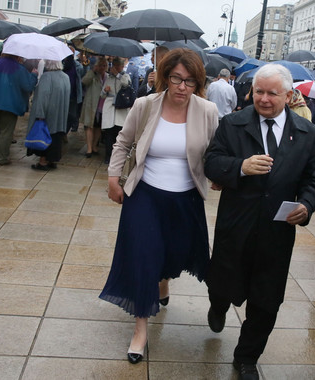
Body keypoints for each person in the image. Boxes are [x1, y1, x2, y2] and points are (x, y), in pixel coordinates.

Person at [100, 48, 218, 364]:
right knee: (143, 257)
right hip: (145, 195)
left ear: (198, 83)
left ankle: (163, 281)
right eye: (176, 79)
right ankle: (140, 330)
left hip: (185, 198)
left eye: (190, 81)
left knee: (172, 253)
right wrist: (114, 176)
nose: (182, 87)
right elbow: (123, 142)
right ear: (165, 77)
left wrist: (221, 175)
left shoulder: (207, 111)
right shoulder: (145, 105)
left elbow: (215, 153)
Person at [204, 63, 315, 380]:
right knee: (223, 280)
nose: (264, 99)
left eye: (272, 93)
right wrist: (240, 166)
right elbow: (211, 162)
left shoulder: (306, 133)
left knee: (267, 301)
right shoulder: (232, 124)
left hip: (276, 233)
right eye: (259, 91)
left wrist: (307, 206)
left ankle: (246, 358)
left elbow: (312, 180)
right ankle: (218, 304)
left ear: (289, 94)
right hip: (236, 224)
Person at [0, 53, 37, 165]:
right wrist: (34, 75)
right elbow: (28, 86)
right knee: (6, 132)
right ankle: (3, 158)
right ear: (17, 55)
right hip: (10, 105)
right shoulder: (20, 69)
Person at [26, 59, 70, 171]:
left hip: (48, 114)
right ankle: (52, 160)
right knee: (56, 136)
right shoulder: (65, 77)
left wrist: (40, 113)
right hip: (60, 113)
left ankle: (43, 161)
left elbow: (42, 96)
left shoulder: (47, 77)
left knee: (45, 136)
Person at [100, 57, 131, 164]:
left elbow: (125, 84)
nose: (116, 67)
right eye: (114, 65)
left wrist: (118, 75)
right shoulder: (109, 78)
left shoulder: (125, 76)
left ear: (122, 66)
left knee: (119, 134)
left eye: (118, 65)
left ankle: (118, 157)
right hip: (109, 108)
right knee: (108, 134)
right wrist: (105, 91)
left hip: (120, 109)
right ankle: (108, 156)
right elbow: (102, 95)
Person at [80, 57, 108, 157]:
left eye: (104, 65)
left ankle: (94, 146)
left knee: (98, 127)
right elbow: (84, 81)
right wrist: (92, 71)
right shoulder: (92, 75)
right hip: (91, 105)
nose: (102, 67)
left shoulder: (108, 77)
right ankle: (89, 149)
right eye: (100, 65)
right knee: (89, 126)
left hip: (102, 106)